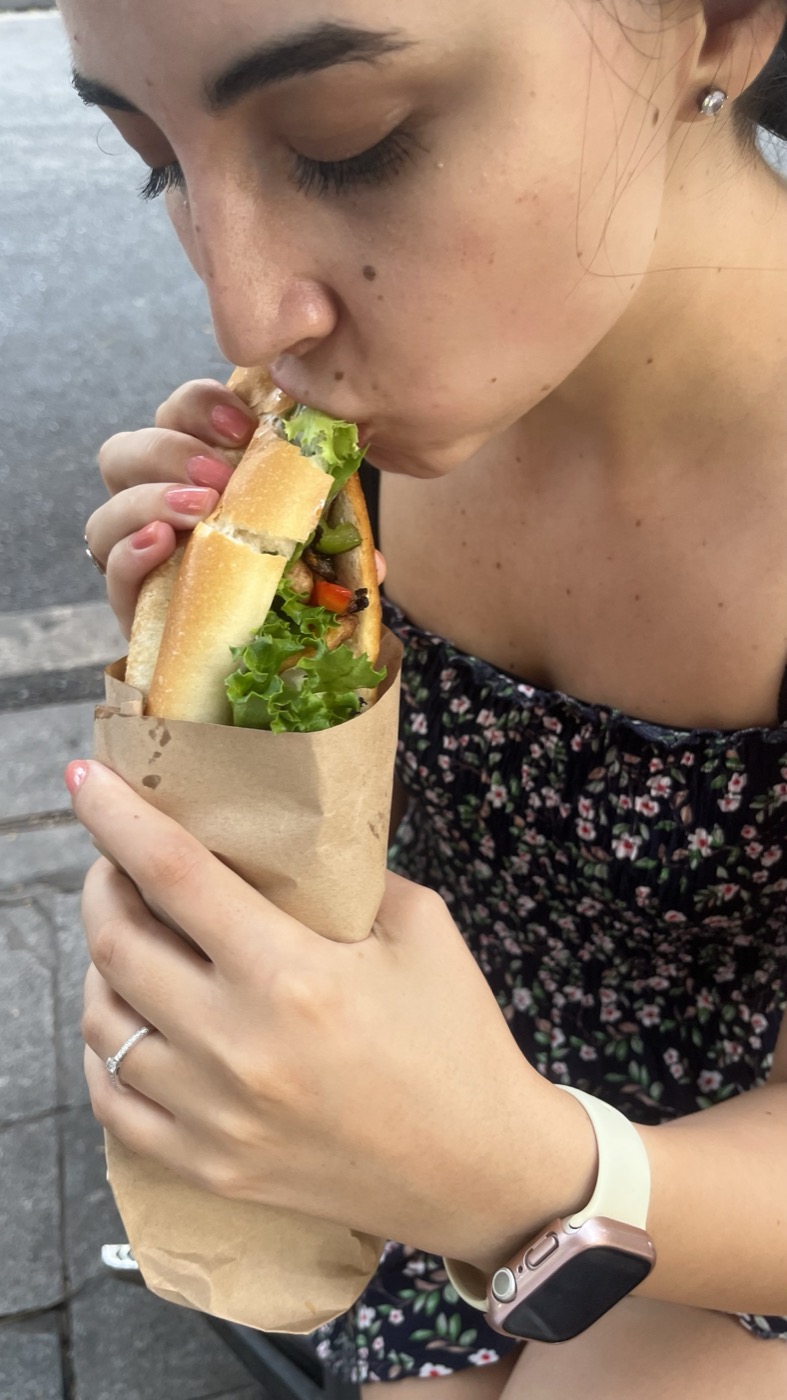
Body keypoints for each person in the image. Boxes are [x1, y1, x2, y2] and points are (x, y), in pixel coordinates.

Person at [62, 0, 787, 1395]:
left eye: (349, 143)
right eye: (160, 163)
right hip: (404, 1093)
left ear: (718, 24)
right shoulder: (350, 462)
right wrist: (224, 714)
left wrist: (520, 1172)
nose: (246, 311)